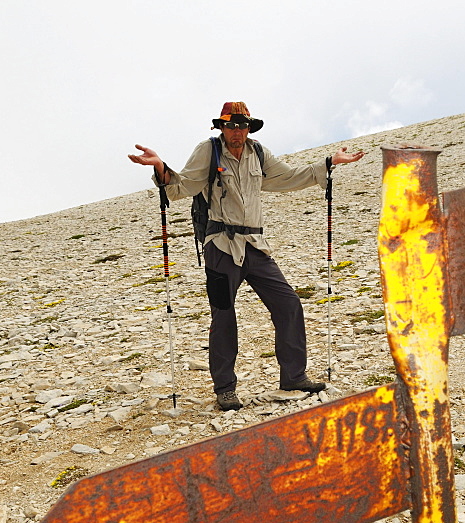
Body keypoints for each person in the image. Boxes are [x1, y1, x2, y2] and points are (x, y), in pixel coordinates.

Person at [129, 101, 365, 411]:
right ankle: (225, 389)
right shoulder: (208, 151)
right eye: (231, 126)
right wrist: (160, 167)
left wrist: (328, 163)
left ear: (249, 127)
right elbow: (181, 187)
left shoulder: (259, 153)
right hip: (220, 247)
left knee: (288, 302)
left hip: (255, 245)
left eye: (242, 126)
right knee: (223, 314)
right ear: (221, 127)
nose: (237, 132)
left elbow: (289, 177)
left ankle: (294, 376)